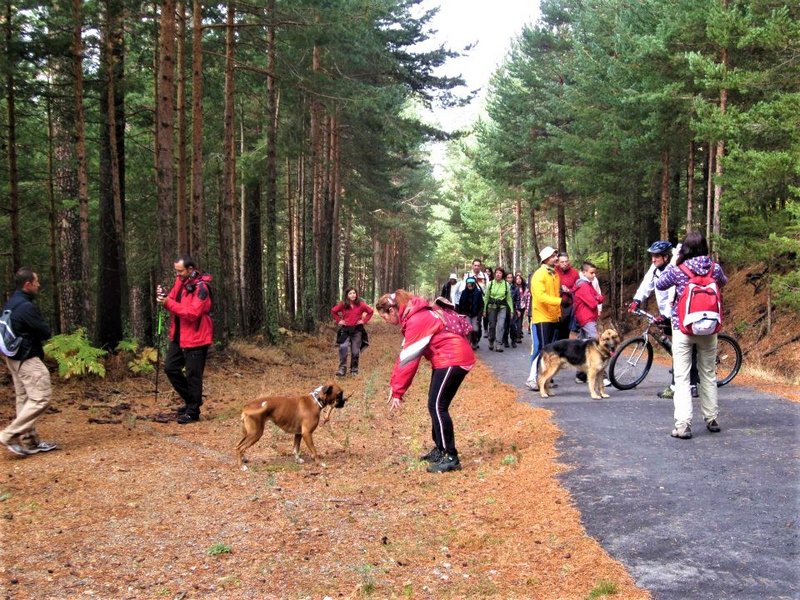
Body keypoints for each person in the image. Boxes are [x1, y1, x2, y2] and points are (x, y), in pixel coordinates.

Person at [376, 289, 475, 473]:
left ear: (391, 310)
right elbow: (405, 355)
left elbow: (409, 359)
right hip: (445, 358)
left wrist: (398, 391)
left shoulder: (416, 319)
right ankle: (440, 449)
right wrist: (394, 385)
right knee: (434, 404)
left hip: (454, 358)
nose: (386, 322)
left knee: (438, 406)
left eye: (384, 317)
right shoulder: (414, 315)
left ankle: (451, 456)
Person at [655, 231, 727, 440]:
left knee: (682, 377)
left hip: (683, 328)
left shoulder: (679, 270)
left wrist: (675, 264)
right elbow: (723, 282)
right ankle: (711, 418)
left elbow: (660, 285)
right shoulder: (714, 268)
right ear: (704, 247)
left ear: (684, 249)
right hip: (709, 329)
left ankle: (683, 425)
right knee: (708, 374)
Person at [0, 268, 58, 457]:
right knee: (41, 397)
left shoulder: (12, 302)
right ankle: (8, 435)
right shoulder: (26, 307)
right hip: (27, 358)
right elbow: (44, 332)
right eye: (36, 281)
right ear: (28, 285)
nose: (38, 285)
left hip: (12, 358)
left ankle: (29, 441)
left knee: (24, 399)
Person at [157, 254, 213, 424]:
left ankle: (193, 412)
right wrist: (164, 297)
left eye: (180, 271)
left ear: (190, 269)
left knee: (193, 375)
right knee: (171, 368)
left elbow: (192, 313)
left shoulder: (202, 288)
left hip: (197, 337)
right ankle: (192, 401)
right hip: (179, 335)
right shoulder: (180, 282)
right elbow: (173, 300)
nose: (178, 274)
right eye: (176, 271)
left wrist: (168, 303)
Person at [628, 240, 681, 398]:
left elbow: (674, 295)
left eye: (656, 256)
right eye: (652, 256)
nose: (653, 259)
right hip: (665, 312)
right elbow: (646, 284)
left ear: (666, 257)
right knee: (675, 346)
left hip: (676, 313)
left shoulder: (675, 268)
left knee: (680, 349)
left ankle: (678, 385)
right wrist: (637, 300)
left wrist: (667, 315)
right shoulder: (655, 268)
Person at [525, 247, 562, 391]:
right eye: (553, 255)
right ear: (546, 259)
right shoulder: (539, 275)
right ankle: (532, 379)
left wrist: (559, 312)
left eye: (556, 254)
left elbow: (554, 294)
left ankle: (546, 378)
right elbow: (540, 297)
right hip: (541, 317)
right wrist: (559, 302)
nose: (556, 257)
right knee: (542, 349)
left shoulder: (554, 274)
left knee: (551, 349)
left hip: (553, 317)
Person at [330, 288, 373, 376]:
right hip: (345, 330)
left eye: (354, 293)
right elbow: (333, 311)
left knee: (355, 351)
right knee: (343, 348)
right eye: (350, 293)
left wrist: (363, 321)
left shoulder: (361, 304)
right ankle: (342, 369)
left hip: (357, 330)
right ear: (347, 295)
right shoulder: (342, 304)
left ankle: (354, 369)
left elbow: (370, 311)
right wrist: (339, 320)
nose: (353, 295)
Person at [483, 267, 513, 352]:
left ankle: (499, 344)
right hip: (492, 307)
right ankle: (491, 340)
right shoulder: (490, 284)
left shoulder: (506, 284)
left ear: (502, 274)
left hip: (502, 307)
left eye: (500, 273)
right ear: (494, 274)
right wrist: (484, 309)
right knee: (492, 325)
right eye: (497, 272)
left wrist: (511, 310)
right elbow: (486, 297)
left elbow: (509, 298)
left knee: (501, 325)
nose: (498, 274)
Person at [556, 252, 580, 340]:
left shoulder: (574, 273)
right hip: (556, 304)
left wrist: (569, 291)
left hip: (569, 305)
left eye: (566, 261)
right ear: (558, 262)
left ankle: (564, 349)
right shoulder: (554, 271)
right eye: (562, 262)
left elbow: (578, 289)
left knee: (566, 331)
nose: (565, 264)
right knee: (556, 330)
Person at [456, 276, 483, 350]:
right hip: (466, 314)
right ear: (466, 284)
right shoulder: (464, 293)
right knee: (468, 329)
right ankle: (469, 342)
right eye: (468, 284)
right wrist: (460, 314)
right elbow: (460, 304)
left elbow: (481, 305)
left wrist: (479, 315)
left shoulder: (478, 293)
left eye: (471, 284)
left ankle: (475, 341)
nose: (470, 285)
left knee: (475, 329)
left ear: (474, 284)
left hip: (475, 314)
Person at [501, 272, 521, 348]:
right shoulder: (503, 286)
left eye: (511, 277)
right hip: (504, 308)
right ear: (506, 278)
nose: (510, 279)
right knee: (505, 326)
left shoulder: (515, 288)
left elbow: (518, 299)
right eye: (508, 277)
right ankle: (505, 340)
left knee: (513, 326)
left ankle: (513, 340)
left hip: (513, 309)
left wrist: (518, 309)